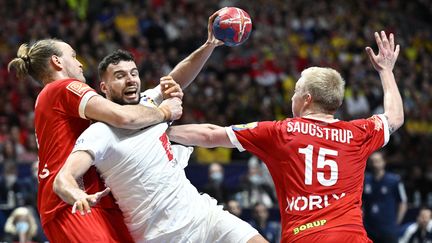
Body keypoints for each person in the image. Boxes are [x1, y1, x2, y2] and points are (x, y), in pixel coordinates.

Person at [167, 31, 403, 243]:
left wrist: (162, 130)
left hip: (304, 237)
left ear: (307, 99)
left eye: (296, 91)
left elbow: (210, 135)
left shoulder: (280, 132)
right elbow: (394, 117)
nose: (292, 98)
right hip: (352, 237)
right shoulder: (357, 133)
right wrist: (386, 71)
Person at [7, 8, 221, 241]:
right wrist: (164, 112)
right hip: (71, 201)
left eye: (133, 73)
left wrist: (209, 45)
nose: (80, 64)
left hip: (97, 199)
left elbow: (171, 81)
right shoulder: (63, 87)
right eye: (73, 56)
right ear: (57, 61)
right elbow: (124, 117)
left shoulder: (64, 100)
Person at [53, 48, 268, 243]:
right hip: (161, 236)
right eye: (120, 76)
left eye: (134, 73)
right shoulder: (100, 132)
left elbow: (178, 77)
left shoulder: (148, 102)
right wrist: (77, 195)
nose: (130, 80)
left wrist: (210, 44)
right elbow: (63, 179)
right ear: (104, 88)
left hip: (204, 216)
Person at [362, 151, 408, 243]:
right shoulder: (365, 179)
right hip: (369, 228)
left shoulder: (394, 180)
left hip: (388, 228)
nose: (375, 164)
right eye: (372, 161)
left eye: (377, 161)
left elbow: (403, 202)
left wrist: (396, 223)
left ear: (384, 162)